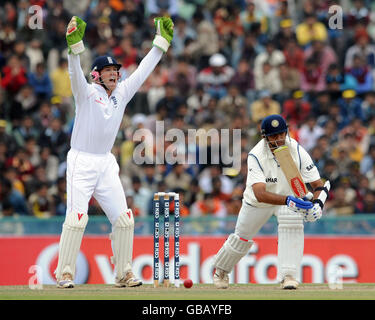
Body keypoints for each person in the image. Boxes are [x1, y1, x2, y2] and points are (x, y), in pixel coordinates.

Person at [55, 16, 173, 289]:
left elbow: (143, 71)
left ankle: (123, 272)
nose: (114, 73)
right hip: (81, 160)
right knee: (76, 218)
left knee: (124, 218)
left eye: (116, 70)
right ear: (96, 75)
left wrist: (161, 44)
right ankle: (65, 273)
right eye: (108, 70)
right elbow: (75, 74)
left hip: (106, 162)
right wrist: (75, 48)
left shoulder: (122, 92)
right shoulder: (86, 93)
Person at [212, 114, 329, 290]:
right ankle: (221, 271)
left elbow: (318, 184)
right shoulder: (256, 155)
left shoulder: (296, 149)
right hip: (259, 202)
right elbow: (260, 193)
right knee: (242, 238)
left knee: (292, 226)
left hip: (290, 198)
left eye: (282, 134)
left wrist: (318, 205)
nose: (279, 139)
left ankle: (288, 276)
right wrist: (288, 200)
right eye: (274, 136)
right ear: (264, 137)